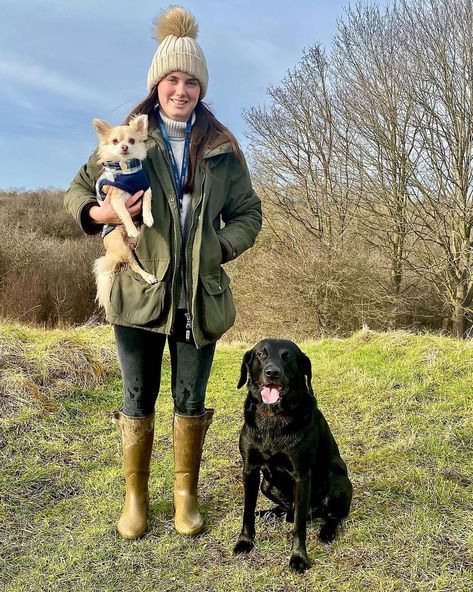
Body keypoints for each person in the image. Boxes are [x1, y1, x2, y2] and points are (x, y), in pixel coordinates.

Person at [64, 6, 262, 539]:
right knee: (136, 396)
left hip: (199, 295)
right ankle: (136, 498)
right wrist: (101, 214)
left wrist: (219, 248)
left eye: (191, 81)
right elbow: (77, 194)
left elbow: (250, 213)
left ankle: (185, 496)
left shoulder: (222, 149)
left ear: (201, 88)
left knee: (190, 398)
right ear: (157, 85)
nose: (181, 89)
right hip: (138, 290)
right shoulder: (129, 138)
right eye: (172, 79)